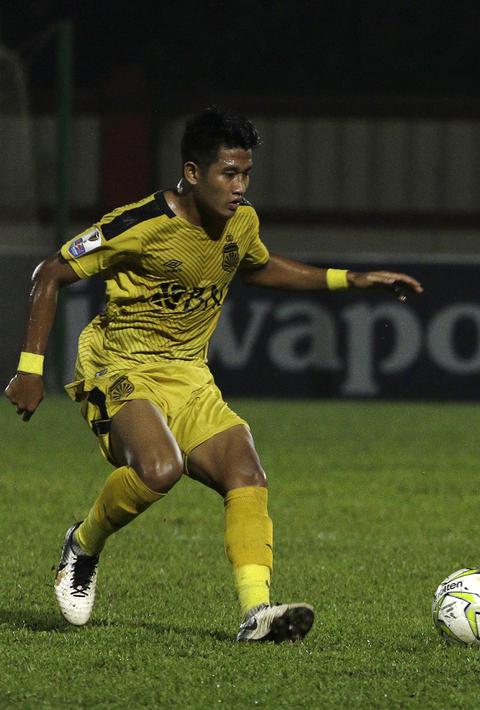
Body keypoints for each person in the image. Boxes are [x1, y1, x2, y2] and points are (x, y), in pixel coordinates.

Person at [3, 106, 422, 642]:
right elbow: (51, 272)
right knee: (159, 469)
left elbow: (259, 265)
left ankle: (256, 614)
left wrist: (352, 279)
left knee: (247, 475)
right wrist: (30, 368)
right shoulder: (140, 224)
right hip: (121, 365)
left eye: (246, 174)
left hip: (191, 376)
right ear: (193, 172)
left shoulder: (241, 222)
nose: (240, 187)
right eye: (229, 173)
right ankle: (83, 546)